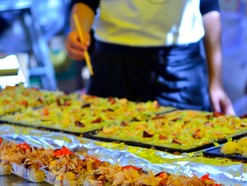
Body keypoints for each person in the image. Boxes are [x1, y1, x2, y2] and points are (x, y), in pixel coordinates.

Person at [65, 0, 235, 114]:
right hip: (114, 65)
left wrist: (216, 83)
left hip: (180, 68)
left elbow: (209, 7)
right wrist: (77, 32)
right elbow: (84, 1)